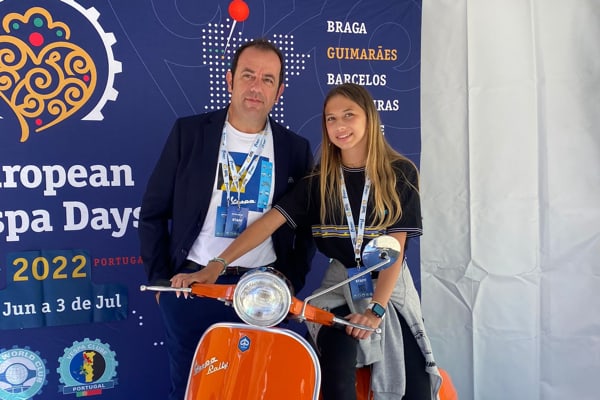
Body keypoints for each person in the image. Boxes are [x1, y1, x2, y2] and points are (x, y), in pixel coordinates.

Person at [172, 83, 442, 399]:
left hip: (389, 288)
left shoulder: (400, 173)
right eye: (331, 119)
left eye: (349, 115)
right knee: (337, 371)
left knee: (416, 389)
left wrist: (375, 310)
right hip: (339, 287)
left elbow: (394, 250)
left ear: (369, 117)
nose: (340, 126)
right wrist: (216, 265)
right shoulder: (319, 180)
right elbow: (268, 223)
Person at [138, 38, 315, 400]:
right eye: (248, 75)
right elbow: (153, 212)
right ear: (230, 79)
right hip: (192, 287)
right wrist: (160, 284)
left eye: (267, 79)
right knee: (192, 391)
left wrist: (290, 282)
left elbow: (307, 227)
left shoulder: (295, 148)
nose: (256, 86)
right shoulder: (189, 133)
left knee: (260, 391)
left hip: (262, 291)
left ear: (279, 91)